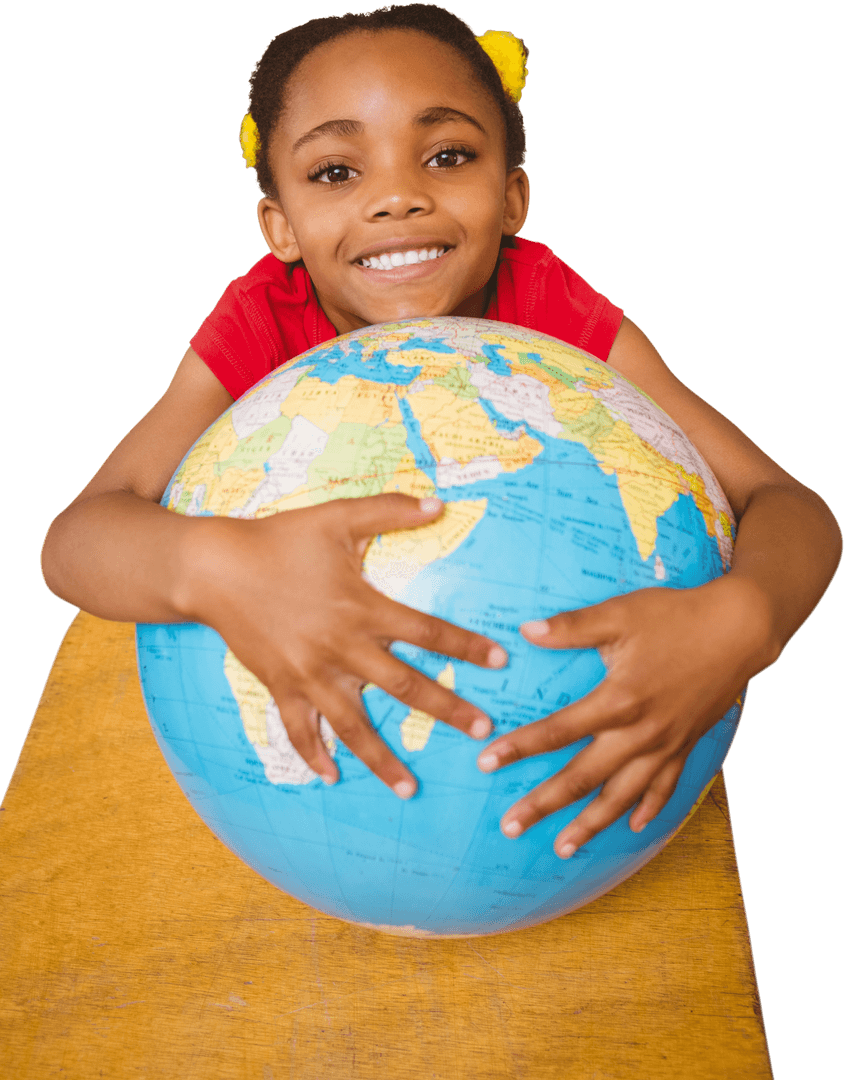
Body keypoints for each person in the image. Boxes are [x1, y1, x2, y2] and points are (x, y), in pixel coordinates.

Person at [41, 4, 840, 862]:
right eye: (337, 171)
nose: (396, 196)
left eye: (448, 156)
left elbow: (786, 504)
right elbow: (78, 538)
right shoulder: (265, 322)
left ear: (513, 196)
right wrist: (218, 568)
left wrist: (744, 617)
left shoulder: (552, 314)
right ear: (280, 228)